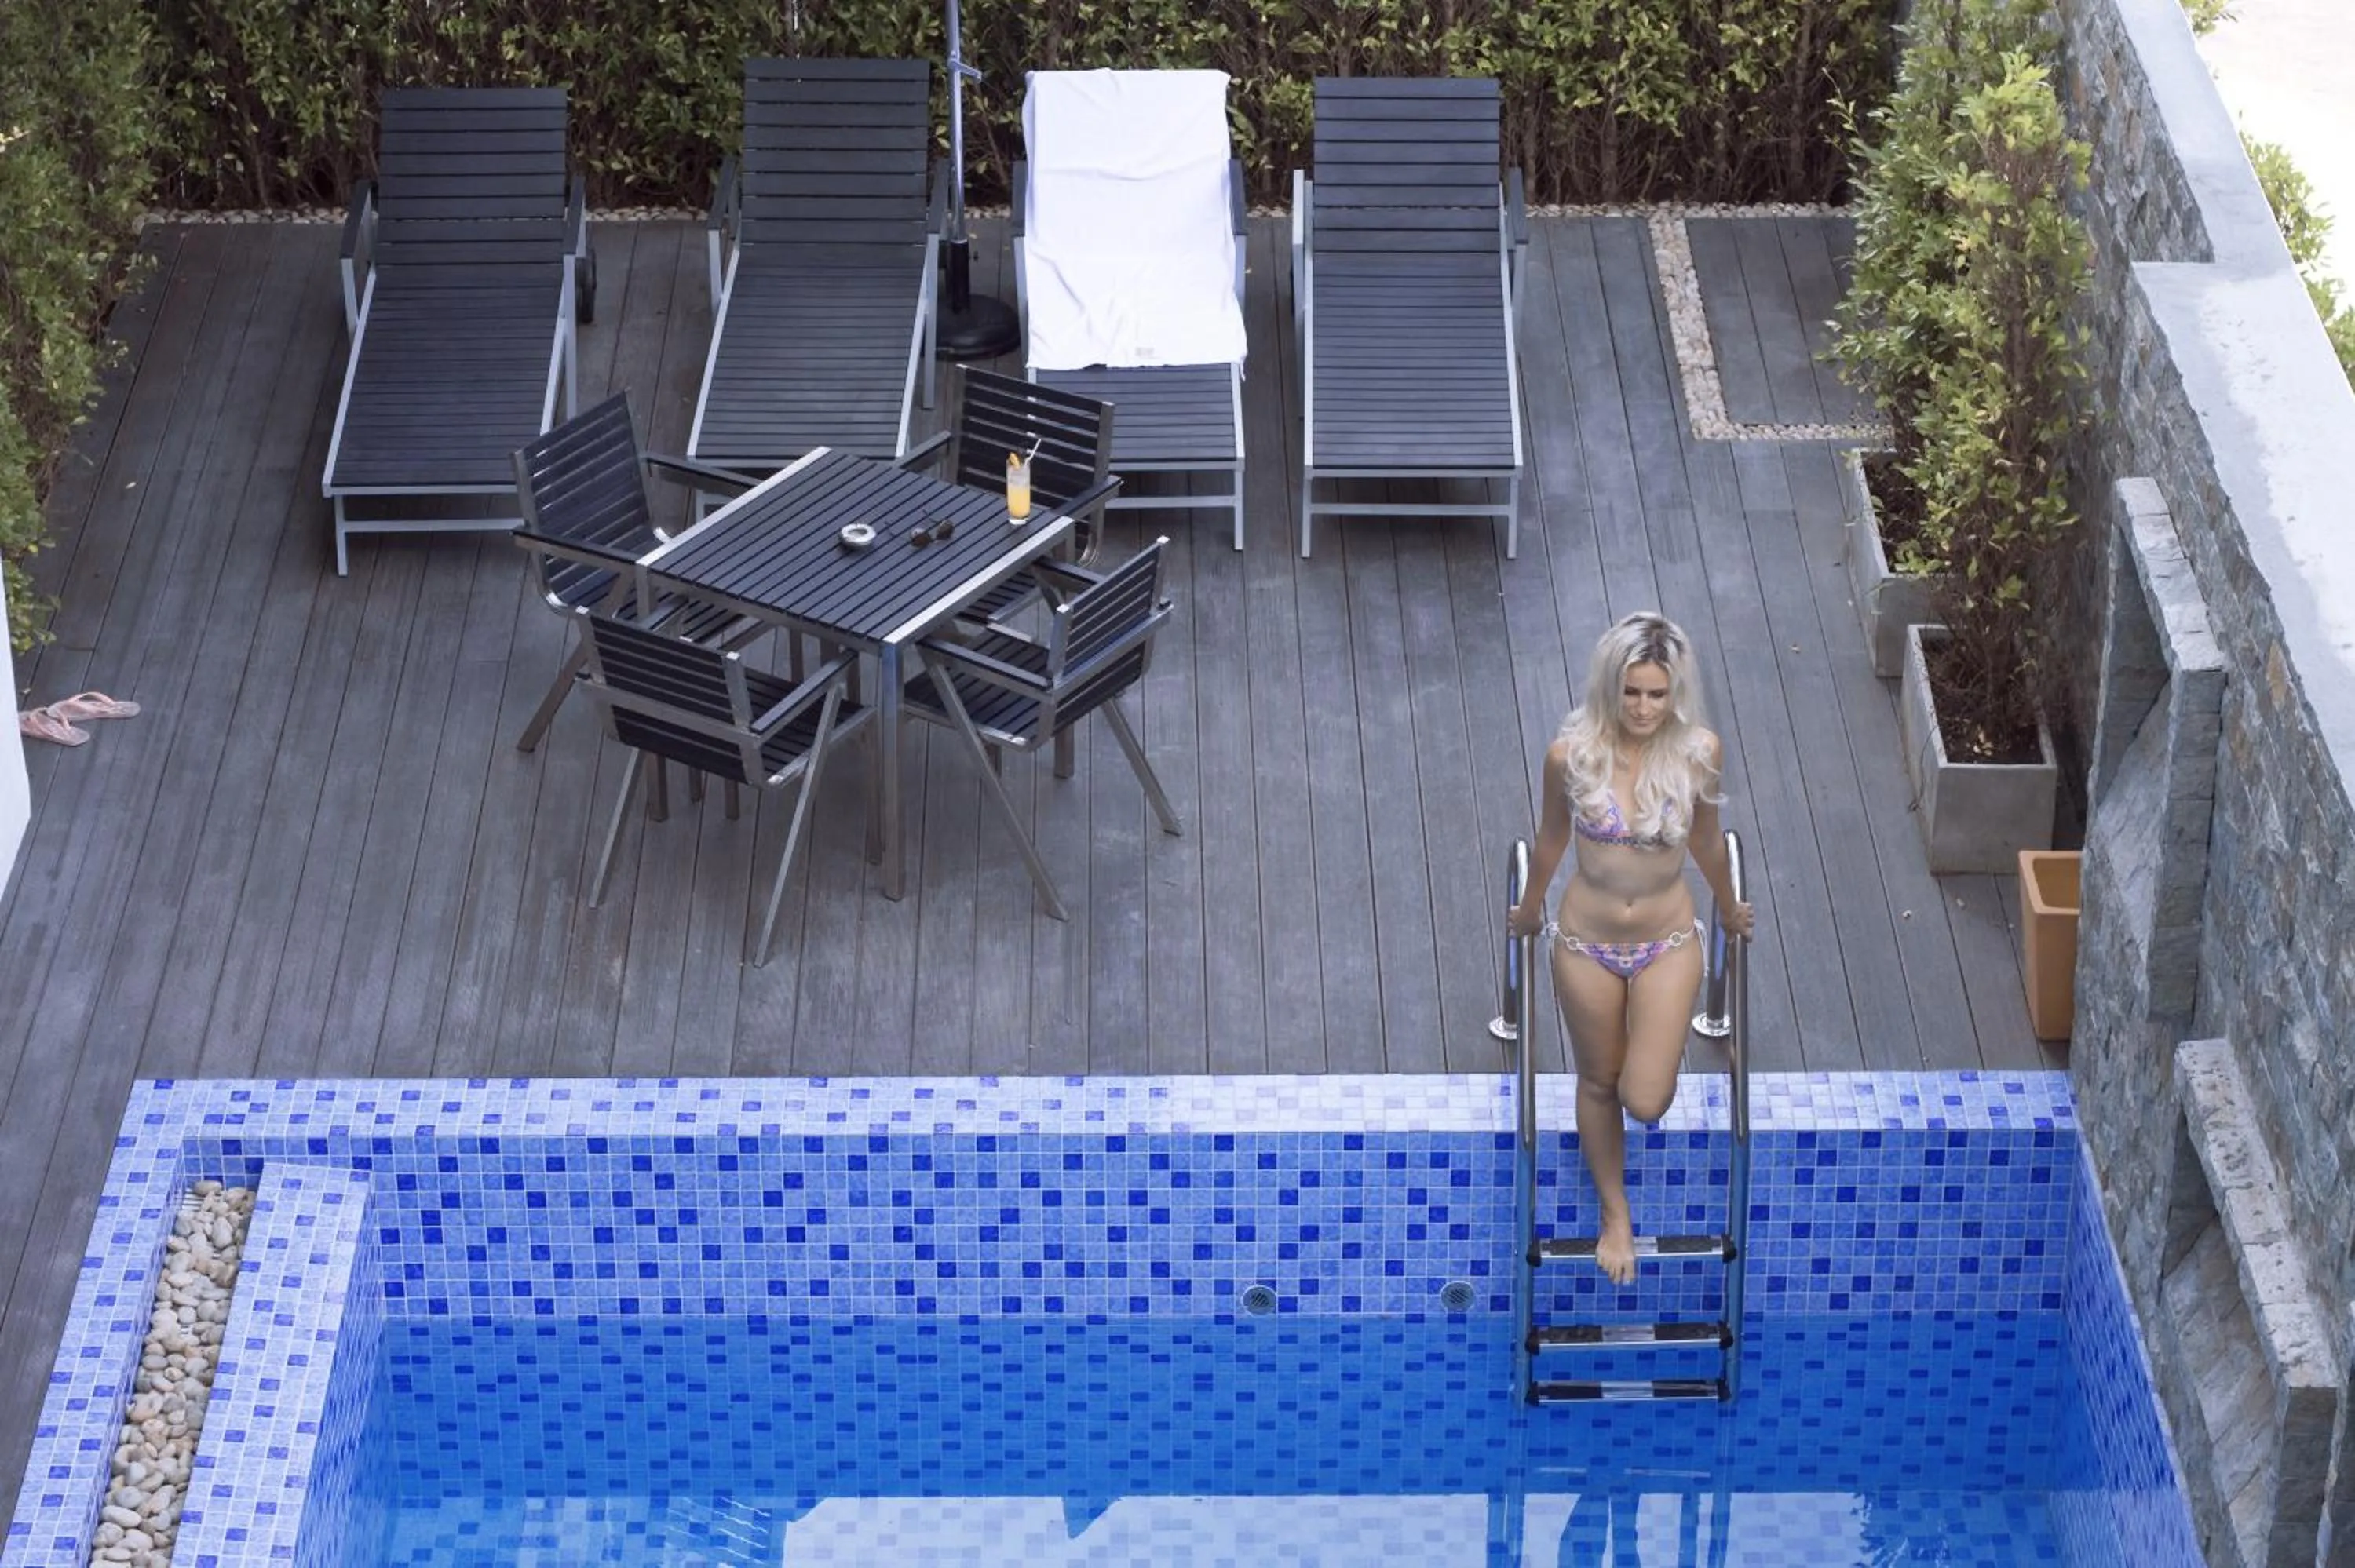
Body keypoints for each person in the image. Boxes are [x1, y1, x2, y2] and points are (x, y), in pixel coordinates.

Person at [1508, 613, 1754, 1285]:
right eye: (1632, 692)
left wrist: (1729, 906)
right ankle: (1615, 1214)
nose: (1645, 707)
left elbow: (1705, 839)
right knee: (1596, 1080)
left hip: (1666, 941)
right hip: (1586, 943)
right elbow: (1552, 838)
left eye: (1657, 693)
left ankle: (1660, 1051)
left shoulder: (1698, 751)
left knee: (1643, 1098)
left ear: (1676, 692)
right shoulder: (1572, 756)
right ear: (1610, 688)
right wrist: (1528, 910)